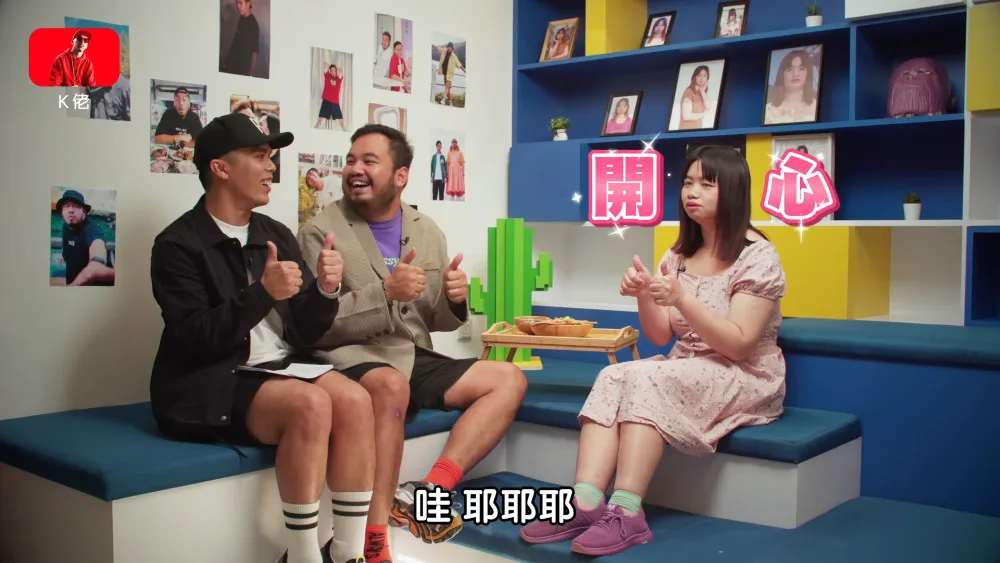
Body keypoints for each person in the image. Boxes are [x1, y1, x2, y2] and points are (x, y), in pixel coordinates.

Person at [519, 145, 788, 557]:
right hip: (686, 366)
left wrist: (682, 299)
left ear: (733, 191)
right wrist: (645, 292)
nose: (691, 192)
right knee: (613, 374)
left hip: (744, 374)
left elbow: (738, 344)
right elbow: (661, 335)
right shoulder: (678, 255)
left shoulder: (758, 256)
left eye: (706, 184)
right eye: (688, 182)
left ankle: (627, 512)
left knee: (646, 377)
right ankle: (585, 503)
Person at [149, 112, 375, 563]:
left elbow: (307, 329)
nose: (271, 167)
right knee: (310, 404)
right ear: (220, 168)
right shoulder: (177, 244)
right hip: (210, 377)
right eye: (258, 156)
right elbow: (195, 338)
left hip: (278, 368)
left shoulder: (274, 233)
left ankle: (348, 553)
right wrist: (262, 293)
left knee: (355, 400)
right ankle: (303, 557)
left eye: (270, 156)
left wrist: (326, 289)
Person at [298, 124, 527, 563]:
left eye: (369, 161)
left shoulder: (427, 230)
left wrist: (455, 300)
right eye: (351, 160)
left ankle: (428, 490)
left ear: (400, 176)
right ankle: (374, 540)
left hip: (411, 352)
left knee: (508, 379)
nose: (355, 170)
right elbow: (318, 326)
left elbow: (433, 318)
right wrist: (386, 292)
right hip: (350, 354)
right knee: (390, 386)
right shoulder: (320, 232)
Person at [56, 189, 115, 286]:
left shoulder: (92, 229)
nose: (70, 210)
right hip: (71, 280)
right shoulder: (65, 226)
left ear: (84, 211)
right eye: (66, 206)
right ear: (62, 211)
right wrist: (64, 254)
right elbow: (67, 242)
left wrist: (97, 262)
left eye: (76, 206)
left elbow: (97, 244)